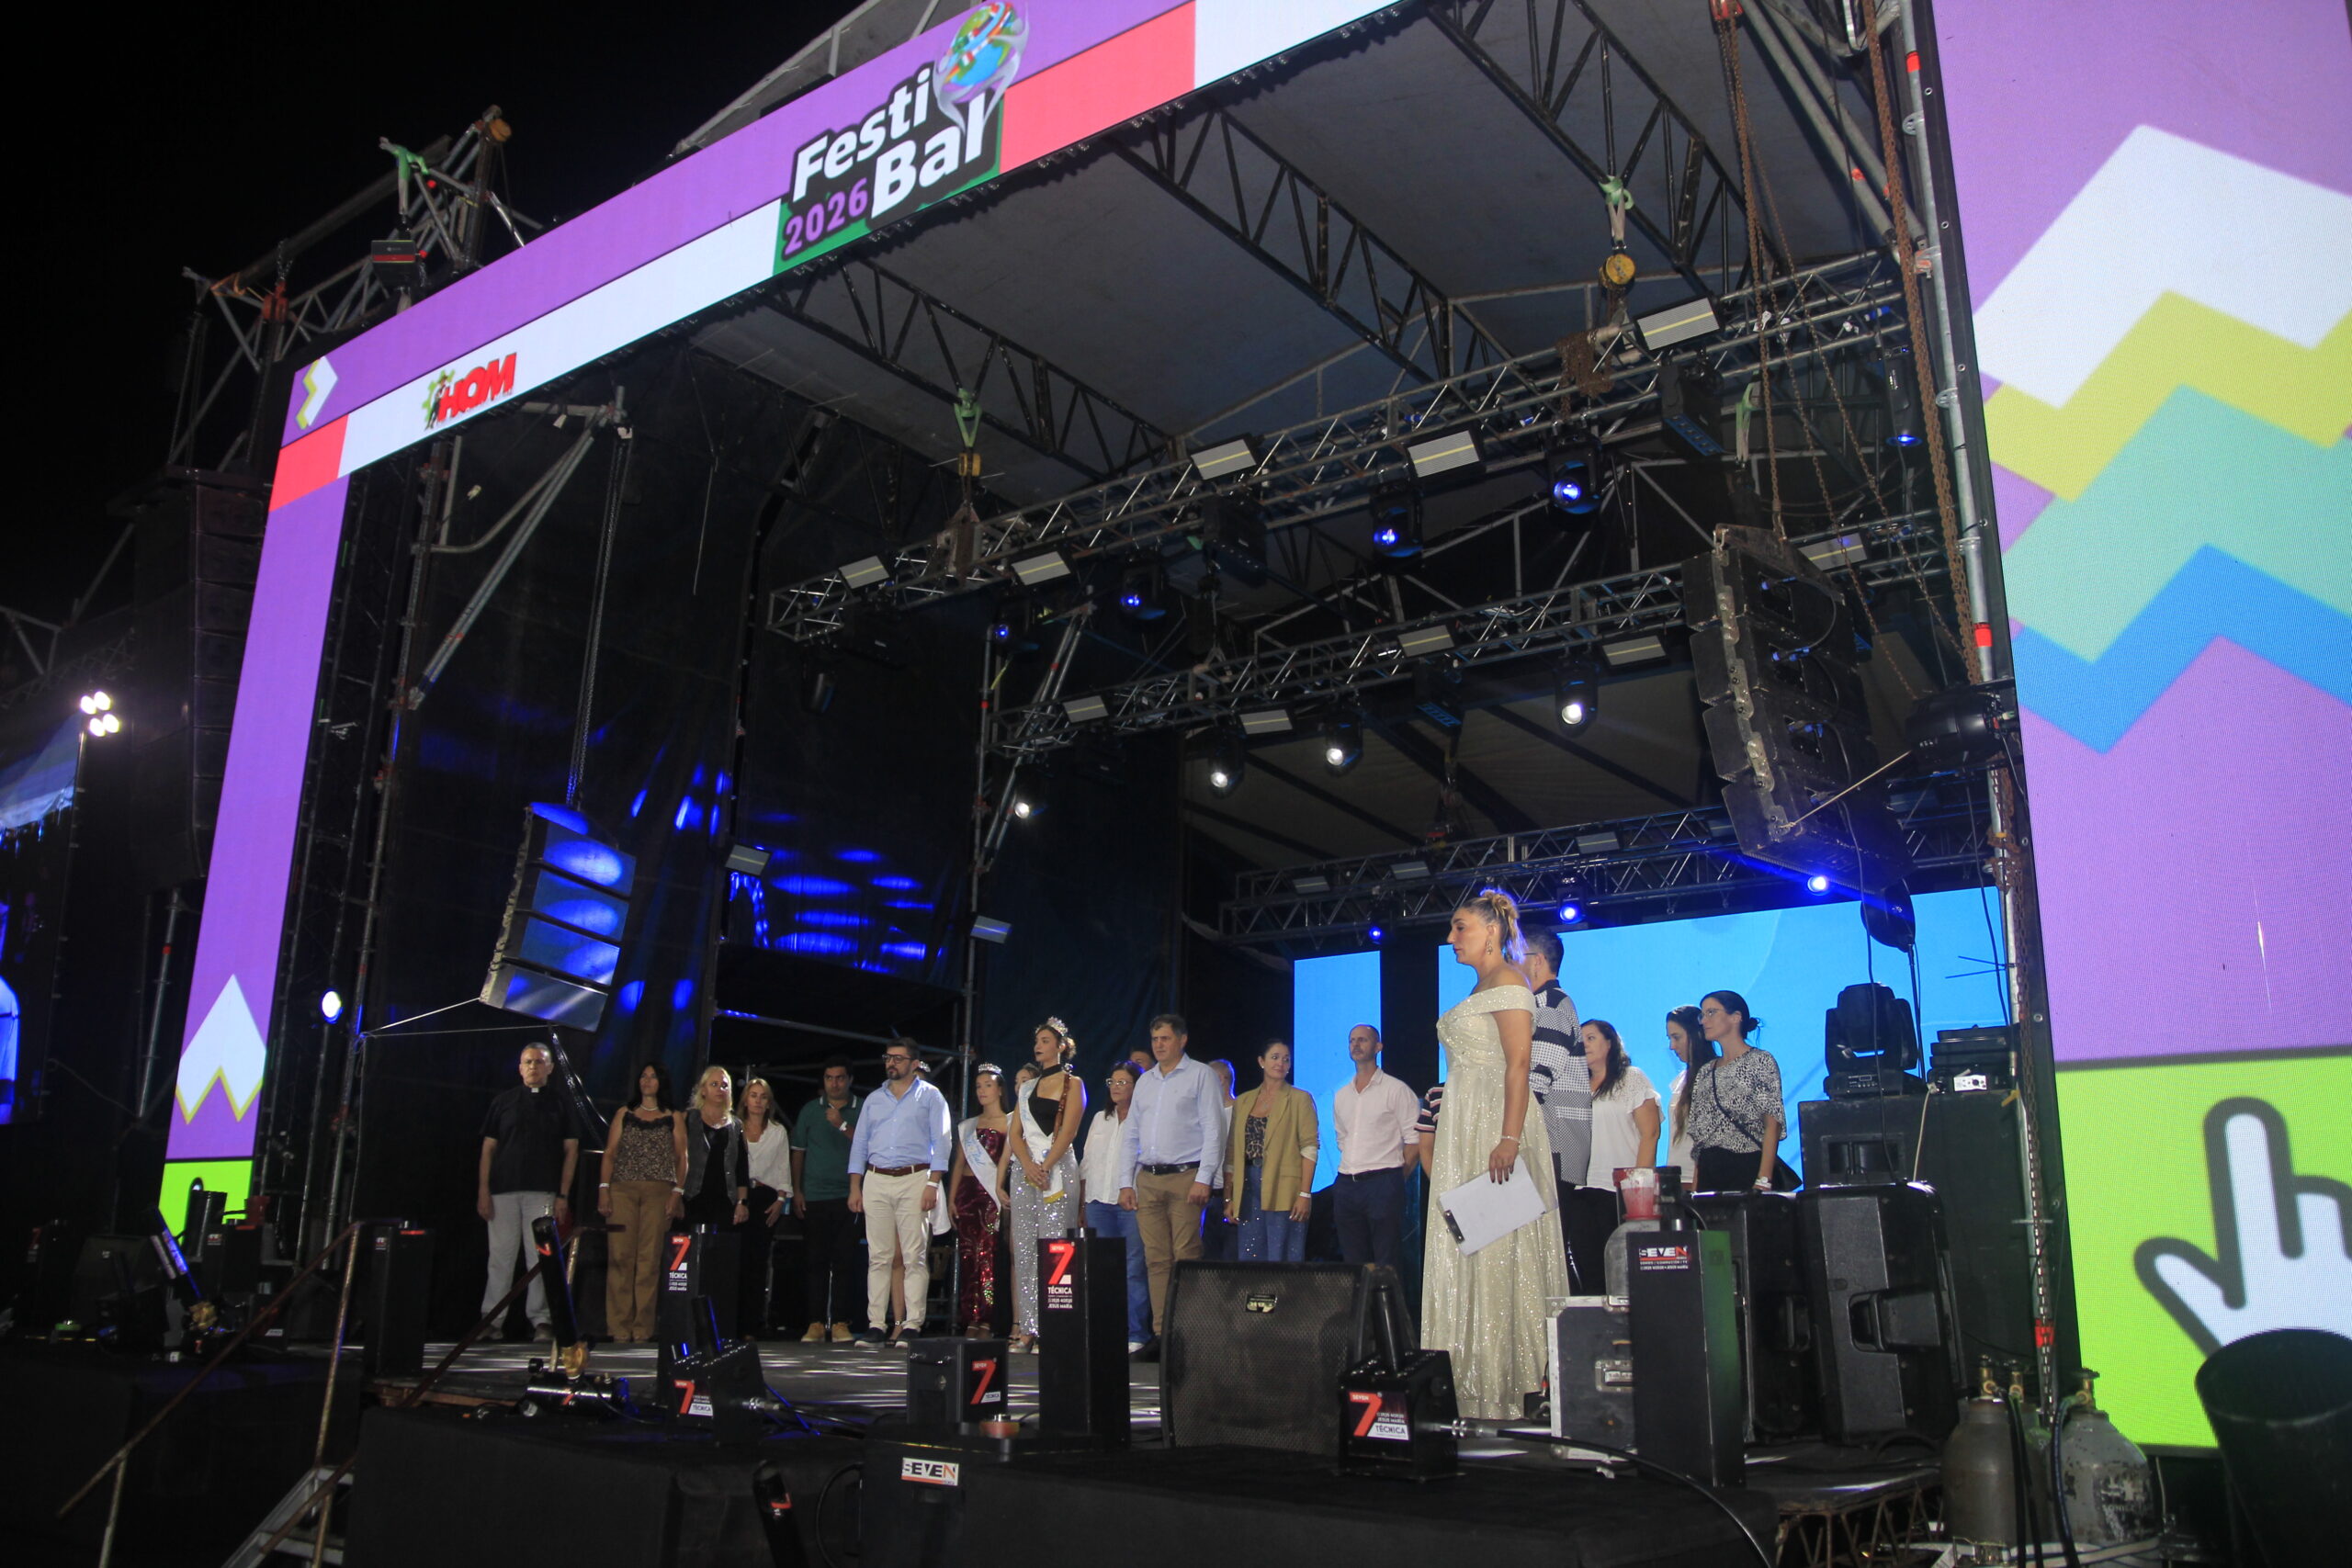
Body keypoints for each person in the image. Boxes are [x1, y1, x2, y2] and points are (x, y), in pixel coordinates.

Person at [1420, 893, 1570, 1422]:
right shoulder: (1481, 986)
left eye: (1459, 927)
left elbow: (1520, 1061)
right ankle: (1471, 1378)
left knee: (1503, 1244)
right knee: (1469, 1241)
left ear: (1489, 931)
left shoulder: (1510, 981)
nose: (1451, 937)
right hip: (1464, 1120)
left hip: (1494, 1121)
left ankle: (1514, 1380)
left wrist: (1508, 1138)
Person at [1117, 1013, 1227, 1353]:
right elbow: (1131, 1132)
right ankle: (1164, 1335)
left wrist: (1204, 1178)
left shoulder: (1200, 1075)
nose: (1159, 1045)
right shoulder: (1146, 1082)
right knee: (1156, 1259)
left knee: (1186, 1255)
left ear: (1182, 1040)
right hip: (1147, 1178)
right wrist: (1125, 1182)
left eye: (1165, 1038)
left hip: (1185, 1177)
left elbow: (1214, 1130)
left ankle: (1188, 1333)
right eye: (1155, 1039)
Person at [847, 1037, 952, 1345]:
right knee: (878, 1255)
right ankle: (876, 1324)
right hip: (877, 1177)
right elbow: (860, 1145)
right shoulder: (874, 1099)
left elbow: (942, 1142)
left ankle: (912, 1323)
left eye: (898, 1058)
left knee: (913, 1255)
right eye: (888, 1058)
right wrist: (855, 1185)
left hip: (915, 1177)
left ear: (914, 1063)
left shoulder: (930, 1096)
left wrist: (933, 1182)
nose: (891, 1063)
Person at [477, 1043, 580, 1338]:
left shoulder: (561, 1104)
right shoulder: (503, 1102)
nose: (533, 1067)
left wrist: (563, 1194)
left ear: (550, 1067)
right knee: (500, 1256)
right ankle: (492, 1320)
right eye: (527, 1062)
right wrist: (483, 1190)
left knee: (541, 1257)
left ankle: (541, 1320)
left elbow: (571, 1149)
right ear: (519, 1067)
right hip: (503, 1191)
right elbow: (488, 1148)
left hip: (543, 1191)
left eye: (538, 1062)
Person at [1522, 928, 1600, 1292]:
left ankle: (1563, 1335)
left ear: (1537, 961)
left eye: (1516, 956)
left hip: (1553, 1144)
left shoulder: (1550, 1004)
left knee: (1550, 1250)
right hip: (1551, 1144)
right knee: (1548, 1249)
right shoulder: (1544, 1003)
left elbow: (1538, 1078)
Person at [595, 1062, 686, 1342]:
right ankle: (618, 1328)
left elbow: (682, 1157)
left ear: (662, 1081)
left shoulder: (673, 1116)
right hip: (622, 1189)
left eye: (653, 1076)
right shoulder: (625, 1113)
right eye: (643, 1076)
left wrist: (677, 1192)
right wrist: (604, 1188)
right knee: (620, 1257)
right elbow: (609, 1153)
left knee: (649, 1261)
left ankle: (642, 1329)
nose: (647, 1081)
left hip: (659, 1191)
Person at [1330, 1023, 1419, 1268]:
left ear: (1378, 1046)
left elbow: (1414, 1140)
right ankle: (1362, 1307)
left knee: (1386, 1259)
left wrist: (1396, 1180)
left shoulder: (1396, 1089)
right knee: (1353, 1262)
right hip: (1347, 1183)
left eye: (1363, 1040)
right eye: (1352, 1040)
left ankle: (1386, 1307)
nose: (1356, 1044)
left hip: (1384, 1182)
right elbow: (1342, 1139)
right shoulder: (1342, 1095)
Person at [1079, 1063, 1151, 1352]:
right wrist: (1082, 1203)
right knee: (1103, 1269)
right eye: (1113, 1081)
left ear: (1137, 1086)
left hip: (1130, 1203)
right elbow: (1087, 1162)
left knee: (1133, 1267)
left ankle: (1136, 1333)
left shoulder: (1144, 1119)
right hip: (1098, 1201)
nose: (1117, 1086)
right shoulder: (1100, 1118)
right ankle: (1107, 1329)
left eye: (1124, 1081)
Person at [1226, 1040, 1318, 1262]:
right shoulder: (1244, 1101)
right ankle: (1255, 1297)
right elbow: (1232, 1152)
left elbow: (1309, 1147)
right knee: (1250, 1256)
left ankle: (1285, 1298)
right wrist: (1228, 1198)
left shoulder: (1300, 1099)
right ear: (1261, 1061)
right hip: (1248, 1186)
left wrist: (1304, 1194)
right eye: (1275, 1057)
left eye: (1286, 1059)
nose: (1281, 1063)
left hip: (1284, 1185)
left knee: (1282, 1254)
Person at [792, 1059, 863, 1342]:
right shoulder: (810, 1110)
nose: (834, 1083)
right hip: (815, 1195)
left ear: (849, 1079)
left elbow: (869, 1147)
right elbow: (798, 1151)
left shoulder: (863, 1108)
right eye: (829, 1077)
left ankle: (842, 1322)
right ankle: (816, 1322)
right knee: (815, 1260)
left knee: (846, 1260)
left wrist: (843, 1124)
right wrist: (798, 1191)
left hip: (850, 1195)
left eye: (840, 1077)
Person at [1687, 989, 1785, 1193]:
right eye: (1702, 1015)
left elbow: (1772, 1124)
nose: (1704, 1020)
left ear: (1736, 1017)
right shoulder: (1705, 1071)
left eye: (1711, 1012)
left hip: (1745, 1167)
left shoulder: (1760, 1061)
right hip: (1709, 1171)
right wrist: (1696, 1189)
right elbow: (1700, 1139)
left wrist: (1764, 1180)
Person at [947, 1064, 1012, 1335]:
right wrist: (951, 1199)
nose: (982, 1090)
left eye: (988, 1085)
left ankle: (986, 1317)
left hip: (991, 1196)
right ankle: (968, 1316)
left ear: (999, 1089)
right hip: (967, 1195)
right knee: (967, 1256)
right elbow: (960, 1163)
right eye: (978, 1086)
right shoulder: (968, 1126)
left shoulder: (1010, 1122)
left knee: (988, 1257)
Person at [736, 1077, 794, 1337]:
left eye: (763, 1097)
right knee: (735, 1261)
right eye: (753, 1095)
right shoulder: (733, 1128)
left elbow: (784, 1169)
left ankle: (752, 1324)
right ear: (745, 1100)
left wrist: (781, 1201)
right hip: (738, 1197)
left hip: (765, 1200)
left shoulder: (777, 1132)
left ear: (769, 1102)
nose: (758, 1101)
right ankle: (731, 1323)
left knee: (757, 1264)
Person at [1579, 1021, 1661, 1194]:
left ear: (1610, 1043)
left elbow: (1651, 1134)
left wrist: (1639, 1183)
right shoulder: (1576, 1086)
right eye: (1580, 1039)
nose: (1584, 1043)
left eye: (1591, 1038)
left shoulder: (1631, 1078)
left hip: (1623, 1187)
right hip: (1582, 1187)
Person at [682, 1066, 750, 1237]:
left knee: (718, 1256)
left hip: (724, 1201)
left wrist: (742, 1202)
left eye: (724, 1085)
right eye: (714, 1084)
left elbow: (741, 1169)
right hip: (691, 1198)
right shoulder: (688, 1119)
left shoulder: (736, 1126)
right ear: (703, 1090)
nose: (720, 1089)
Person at [1661, 1006, 1704, 1192]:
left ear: (1696, 1034)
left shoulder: (1714, 1074)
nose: (1672, 1046)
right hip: (1676, 1179)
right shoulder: (1680, 1080)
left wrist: (1697, 1182)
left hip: (1699, 1181)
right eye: (1670, 1038)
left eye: (1677, 1037)